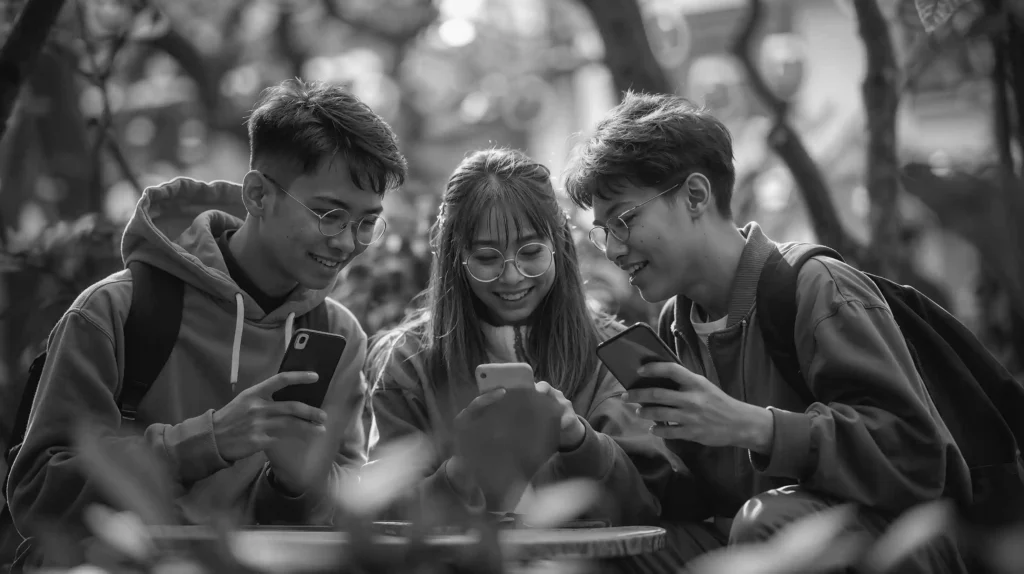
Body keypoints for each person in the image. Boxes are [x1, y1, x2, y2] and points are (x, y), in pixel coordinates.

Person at [562, 91, 972, 572]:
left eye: (625, 220)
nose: (612, 249)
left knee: (765, 522)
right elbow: (699, 496)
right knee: (620, 551)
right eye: (602, 230)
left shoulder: (818, 289)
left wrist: (754, 426)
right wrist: (576, 440)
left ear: (695, 195)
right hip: (757, 540)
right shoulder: (677, 325)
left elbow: (916, 455)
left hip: (893, 544)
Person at [6, 79, 408, 564]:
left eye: (367, 222)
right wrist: (207, 441)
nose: (347, 242)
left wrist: (295, 481)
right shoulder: (115, 312)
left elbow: (336, 517)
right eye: (329, 214)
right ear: (258, 196)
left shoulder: (336, 336)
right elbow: (37, 495)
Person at [365, 148, 688, 533]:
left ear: (560, 245)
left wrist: (580, 440)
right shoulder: (408, 362)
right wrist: (461, 471)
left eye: (531, 252)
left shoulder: (613, 353)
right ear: (455, 258)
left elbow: (651, 508)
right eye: (487, 257)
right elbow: (379, 514)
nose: (513, 276)